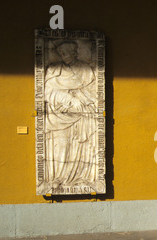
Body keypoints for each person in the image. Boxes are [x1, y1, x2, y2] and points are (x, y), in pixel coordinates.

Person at [43, 40, 98, 191]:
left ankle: (82, 177)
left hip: (81, 117)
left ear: (75, 52)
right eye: (61, 53)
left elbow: (94, 93)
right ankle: (58, 178)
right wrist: (67, 99)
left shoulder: (85, 69)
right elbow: (47, 92)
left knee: (80, 147)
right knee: (61, 147)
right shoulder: (54, 71)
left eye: (66, 52)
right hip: (59, 116)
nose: (64, 55)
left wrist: (80, 98)